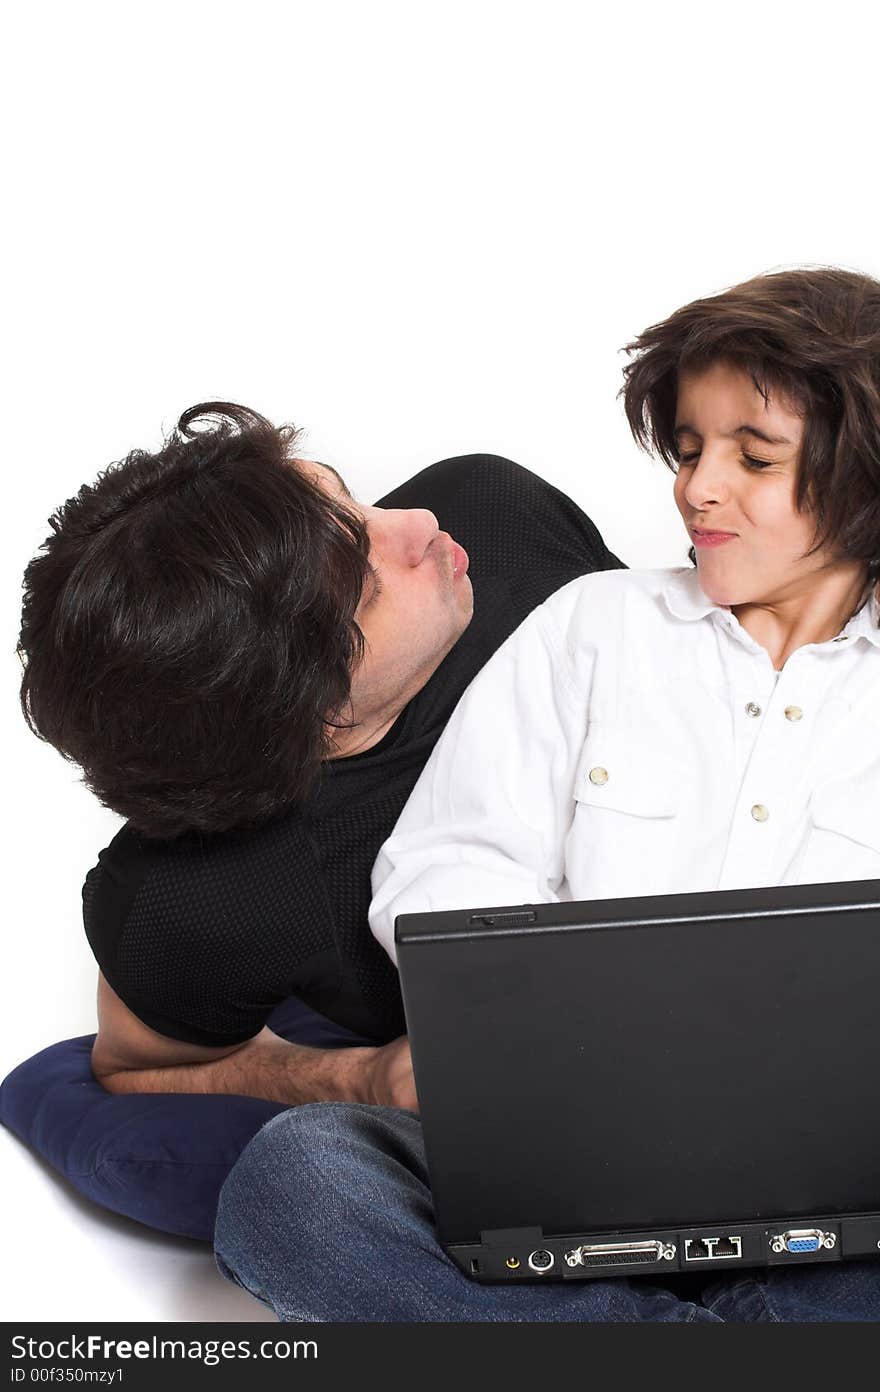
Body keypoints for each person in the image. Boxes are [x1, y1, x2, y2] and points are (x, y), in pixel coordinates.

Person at [212, 266, 880, 1321]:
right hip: (568, 1146)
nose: (698, 488)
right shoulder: (593, 626)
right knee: (295, 1183)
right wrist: (551, 1006)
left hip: (846, 1188)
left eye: (753, 458)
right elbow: (446, 859)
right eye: (690, 450)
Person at [5, 405, 621, 1241]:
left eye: (353, 504)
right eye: (366, 581)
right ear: (311, 712)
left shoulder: (493, 511)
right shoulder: (203, 896)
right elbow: (133, 1069)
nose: (420, 523)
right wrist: (365, 1079)